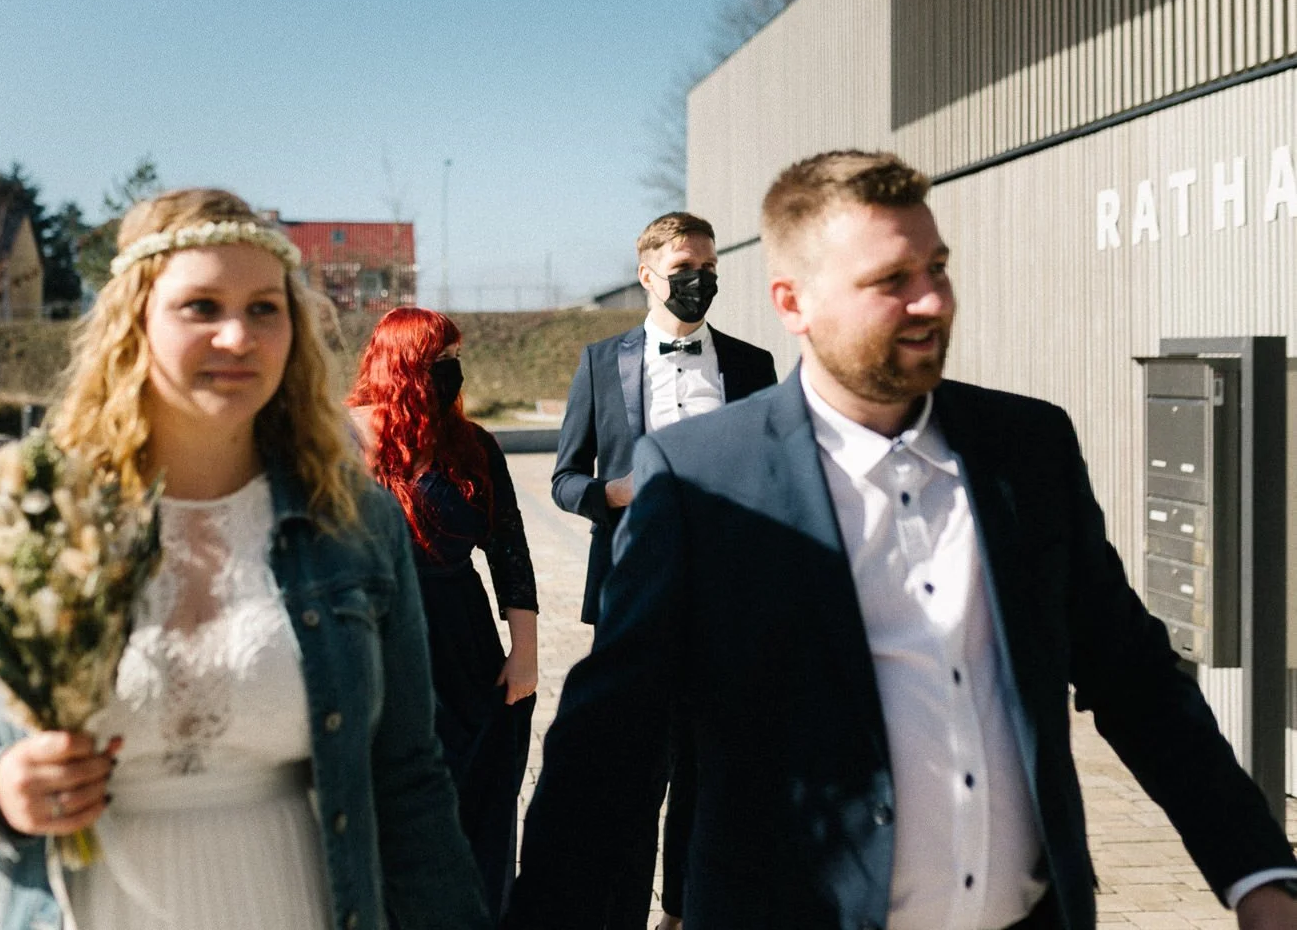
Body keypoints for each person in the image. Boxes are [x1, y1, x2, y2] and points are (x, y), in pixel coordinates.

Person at [507, 152, 1297, 930]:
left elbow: (1136, 679)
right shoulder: (698, 482)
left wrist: (1258, 873)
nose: (931, 302)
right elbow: (604, 754)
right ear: (794, 303)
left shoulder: (1028, 448)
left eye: (937, 269)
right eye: (892, 281)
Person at [0, 189, 491, 930]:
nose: (238, 335)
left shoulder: (355, 522)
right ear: (134, 321)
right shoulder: (22, 513)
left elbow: (408, 779)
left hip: (295, 902)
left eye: (265, 308)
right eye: (201, 306)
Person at [551, 210, 776, 928]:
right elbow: (563, 478)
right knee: (629, 764)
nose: (699, 281)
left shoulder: (751, 365)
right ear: (648, 275)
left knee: (707, 769)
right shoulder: (599, 362)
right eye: (684, 270)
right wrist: (610, 494)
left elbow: (775, 475)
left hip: (725, 595)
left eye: (708, 269)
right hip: (631, 590)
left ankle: (683, 912)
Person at [348, 306, 539, 924]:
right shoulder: (347, 440)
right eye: (438, 362)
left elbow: (509, 551)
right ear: (401, 366)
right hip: (379, 641)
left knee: (479, 808)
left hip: (466, 643)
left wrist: (525, 655)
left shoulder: (473, 446)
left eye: (456, 360)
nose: (452, 374)